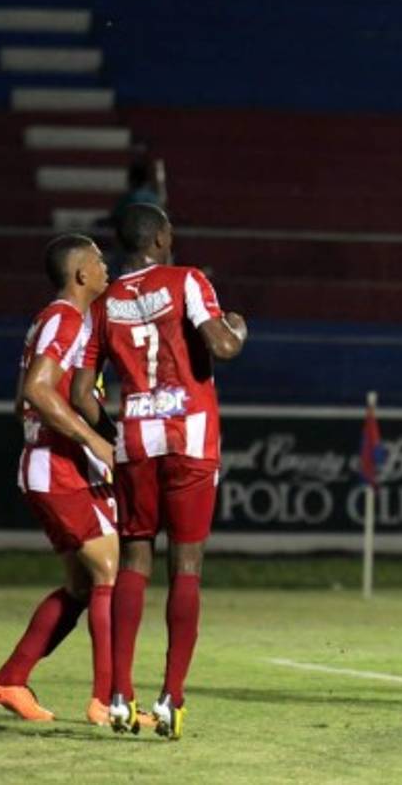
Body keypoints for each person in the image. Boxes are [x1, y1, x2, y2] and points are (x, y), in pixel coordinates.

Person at [72, 203, 247, 739]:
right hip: (189, 436)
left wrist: (119, 427)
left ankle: (119, 695)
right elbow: (222, 346)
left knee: (135, 557)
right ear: (163, 237)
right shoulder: (187, 280)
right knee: (187, 562)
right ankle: (171, 698)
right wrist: (239, 326)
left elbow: (81, 393)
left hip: (136, 438)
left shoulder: (104, 303)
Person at [0, 234, 120, 727]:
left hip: (51, 464)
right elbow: (38, 391)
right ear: (81, 273)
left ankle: (10, 679)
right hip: (56, 467)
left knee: (82, 584)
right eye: (99, 261)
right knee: (109, 568)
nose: (106, 267)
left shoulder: (59, 319)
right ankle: (106, 701)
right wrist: (94, 441)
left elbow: (22, 398)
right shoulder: (65, 318)